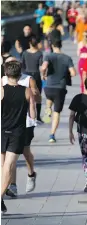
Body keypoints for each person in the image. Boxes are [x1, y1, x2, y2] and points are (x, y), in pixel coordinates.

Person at [2, 57, 40, 198]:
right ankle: (10, 188)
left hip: (15, 127)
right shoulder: (22, 89)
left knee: (20, 155)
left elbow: (37, 100)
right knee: (9, 162)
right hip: (13, 128)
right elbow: (32, 114)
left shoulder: (28, 80)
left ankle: (30, 174)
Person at [40, 39, 76, 142]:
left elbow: (43, 67)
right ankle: (52, 135)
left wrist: (43, 75)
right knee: (57, 112)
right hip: (60, 88)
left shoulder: (48, 56)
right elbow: (73, 73)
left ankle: (47, 109)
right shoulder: (67, 58)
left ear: (52, 46)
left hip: (48, 86)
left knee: (49, 98)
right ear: (61, 46)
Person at [21, 35, 44, 123]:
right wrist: (43, 75)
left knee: (27, 96)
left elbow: (22, 65)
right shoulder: (39, 53)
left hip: (27, 75)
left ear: (29, 43)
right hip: (36, 76)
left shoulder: (24, 53)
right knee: (37, 96)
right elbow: (41, 66)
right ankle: (37, 117)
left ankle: (28, 115)